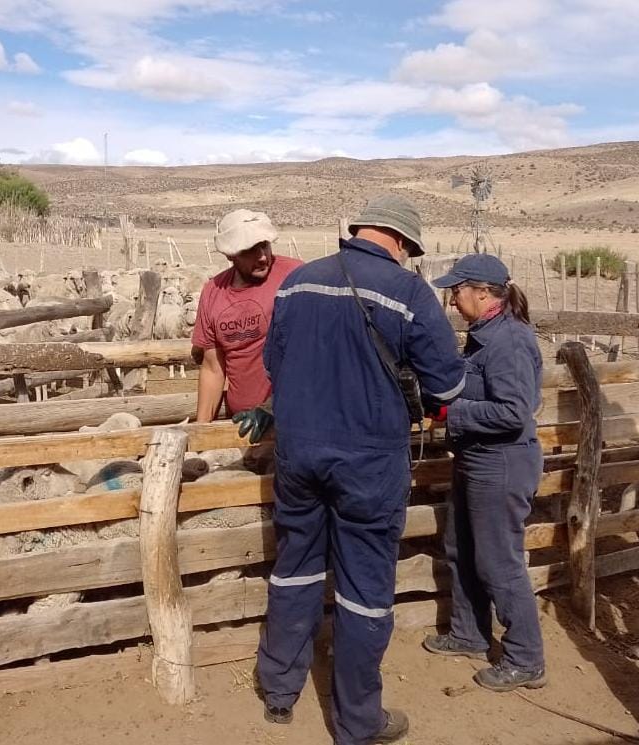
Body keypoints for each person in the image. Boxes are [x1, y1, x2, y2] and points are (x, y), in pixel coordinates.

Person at [255, 194, 466, 745]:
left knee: (294, 568)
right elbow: (447, 385)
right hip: (368, 461)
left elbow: (275, 363)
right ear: (402, 242)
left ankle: (279, 693)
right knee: (364, 589)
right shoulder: (409, 291)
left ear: (358, 231)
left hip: (299, 453)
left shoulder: (298, 282)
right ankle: (357, 723)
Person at [423, 253, 546, 692]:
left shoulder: (508, 340)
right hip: (478, 458)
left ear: (482, 292)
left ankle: (525, 658)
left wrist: (451, 413)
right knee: (460, 546)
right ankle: (468, 633)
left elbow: (514, 411)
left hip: (502, 462)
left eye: (457, 290)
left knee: (499, 561)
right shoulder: (485, 335)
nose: (453, 298)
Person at [191, 209, 301, 427]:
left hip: (291, 422)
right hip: (241, 424)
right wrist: (200, 429)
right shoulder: (214, 292)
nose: (262, 256)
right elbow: (213, 367)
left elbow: (308, 355)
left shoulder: (294, 277)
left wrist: (272, 407)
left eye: (265, 245)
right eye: (250, 250)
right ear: (230, 254)